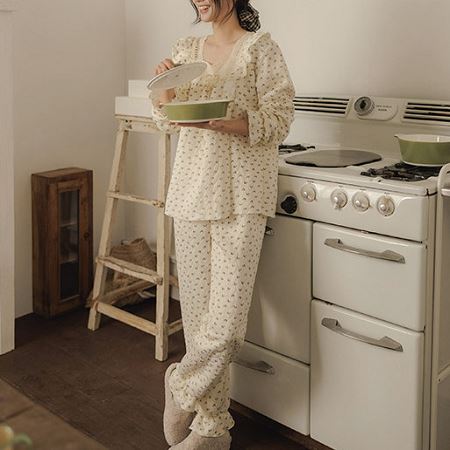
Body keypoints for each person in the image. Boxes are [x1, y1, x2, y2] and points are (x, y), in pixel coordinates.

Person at [151, 1, 295, 449]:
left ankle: (181, 386)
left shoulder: (260, 48)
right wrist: (162, 94)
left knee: (226, 328)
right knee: (197, 323)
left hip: (243, 194)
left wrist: (233, 123)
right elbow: (167, 120)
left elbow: (281, 116)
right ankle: (213, 427)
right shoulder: (185, 48)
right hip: (191, 191)